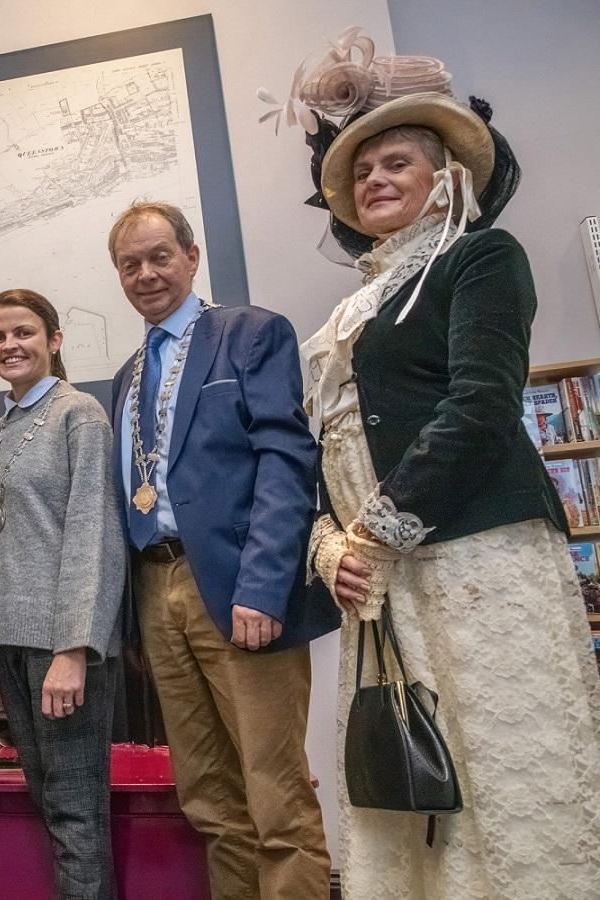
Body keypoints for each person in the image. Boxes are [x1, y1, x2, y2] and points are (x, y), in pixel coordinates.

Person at [275, 29, 600, 897]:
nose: (375, 180)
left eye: (397, 163)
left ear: (444, 177)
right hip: (380, 583)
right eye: (363, 172)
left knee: (498, 764)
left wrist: (373, 536)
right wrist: (329, 547)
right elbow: (328, 448)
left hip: (474, 562)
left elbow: (480, 408)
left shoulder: (480, 259)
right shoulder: (352, 312)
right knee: (412, 778)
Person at [109, 200, 336, 899]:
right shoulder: (126, 375)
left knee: (275, 799)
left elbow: (286, 461)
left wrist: (264, 587)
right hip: (157, 590)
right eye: (130, 264)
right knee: (209, 800)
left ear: (191, 256)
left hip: (237, 586)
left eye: (159, 256)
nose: (146, 274)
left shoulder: (250, 335)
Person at [0, 289, 124, 898]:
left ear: (54, 340)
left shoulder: (79, 414)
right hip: (8, 644)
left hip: (62, 648)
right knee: (49, 804)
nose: (10, 346)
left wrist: (74, 648)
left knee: (76, 814)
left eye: (24, 333)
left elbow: (94, 533)